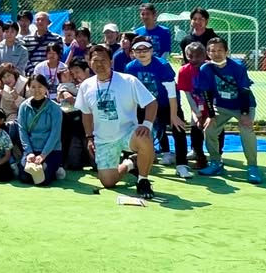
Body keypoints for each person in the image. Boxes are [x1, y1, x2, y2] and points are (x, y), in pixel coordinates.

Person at [75, 44, 158, 199]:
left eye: (103, 60)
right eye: (95, 60)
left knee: (144, 136)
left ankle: (143, 180)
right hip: (104, 139)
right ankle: (130, 163)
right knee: (108, 181)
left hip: (128, 133)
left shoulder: (128, 80)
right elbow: (86, 113)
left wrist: (147, 124)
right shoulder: (86, 86)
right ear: (89, 62)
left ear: (111, 61)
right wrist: (89, 137)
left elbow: (151, 103)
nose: (99, 64)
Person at [196, 37, 261, 183]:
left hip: (242, 105)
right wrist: (211, 115)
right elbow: (206, 93)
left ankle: (252, 166)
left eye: (220, 50)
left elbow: (244, 91)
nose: (216, 53)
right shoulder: (205, 69)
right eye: (212, 51)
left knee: (246, 130)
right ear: (208, 53)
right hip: (221, 106)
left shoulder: (238, 66)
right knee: (209, 129)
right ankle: (216, 163)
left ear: (227, 51)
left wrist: (245, 114)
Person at [125, 36, 184, 173]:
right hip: (144, 106)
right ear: (132, 52)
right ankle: (137, 160)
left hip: (166, 104)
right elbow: (130, 93)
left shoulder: (163, 65)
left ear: (152, 51)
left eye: (145, 49)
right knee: (138, 131)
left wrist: (173, 115)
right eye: (138, 50)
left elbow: (171, 93)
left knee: (178, 127)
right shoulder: (130, 68)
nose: (142, 53)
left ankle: (182, 164)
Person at [17, 75, 64, 186]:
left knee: (42, 180)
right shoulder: (24, 106)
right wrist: (29, 152)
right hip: (32, 149)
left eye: (40, 86)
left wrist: (43, 155)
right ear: (28, 88)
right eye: (33, 87)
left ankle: (56, 169)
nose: (36, 90)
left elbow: (55, 134)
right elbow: (22, 130)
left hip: (50, 150)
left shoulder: (55, 108)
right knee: (24, 177)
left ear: (46, 87)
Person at [176, 42, 212, 170]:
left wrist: (210, 114)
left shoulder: (211, 68)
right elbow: (188, 95)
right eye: (190, 56)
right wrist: (197, 113)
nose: (194, 59)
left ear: (205, 55)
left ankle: (217, 156)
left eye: (198, 56)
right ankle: (199, 155)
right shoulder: (184, 71)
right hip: (196, 105)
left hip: (214, 106)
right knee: (195, 127)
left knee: (213, 129)